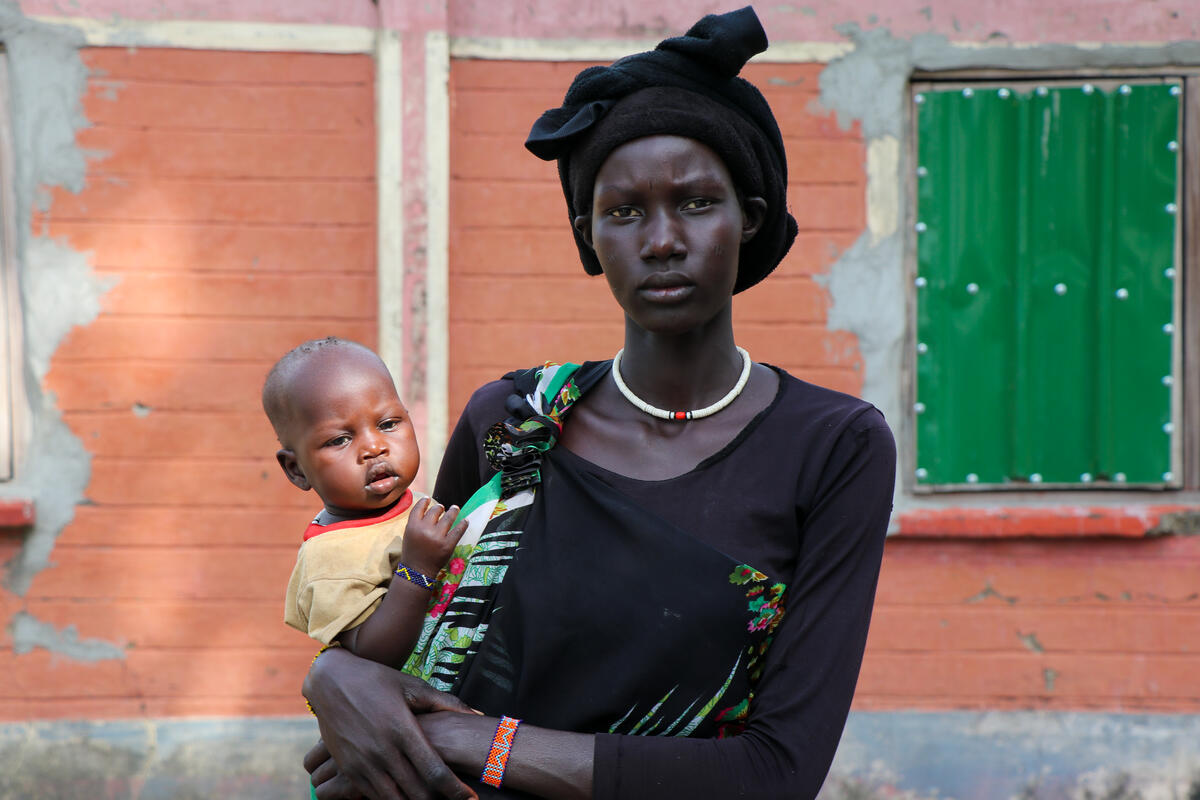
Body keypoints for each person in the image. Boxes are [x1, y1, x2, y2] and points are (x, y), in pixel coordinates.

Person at [301, 7, 896, 799]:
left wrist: (476, 741)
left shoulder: (833, 447)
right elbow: (410, 638)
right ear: (590, 238)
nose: (660, 240)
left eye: (695, 203)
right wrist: (331, 677)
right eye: (622, 212)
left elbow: (776, 773)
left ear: (749, 219)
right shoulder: (514, 421)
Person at [264, 337, 467, 668]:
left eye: (388, 424)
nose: (374, 447)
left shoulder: (409, 503)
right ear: (296, 469)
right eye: (340, 440)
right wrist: (417, 569)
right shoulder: (329, 558)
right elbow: (371, 659)